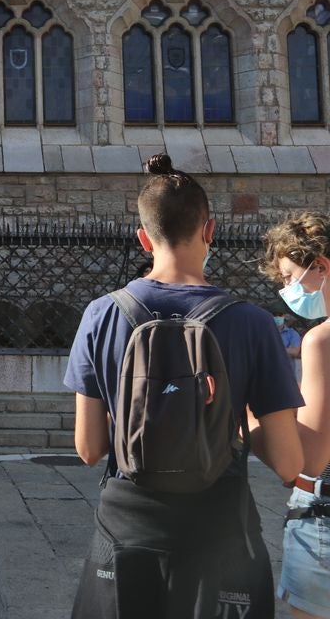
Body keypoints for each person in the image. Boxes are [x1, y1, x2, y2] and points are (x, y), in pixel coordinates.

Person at [65, 154, 302, 618]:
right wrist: (236, 420)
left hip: (126, 531)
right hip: (221, 532)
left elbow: (90, 448)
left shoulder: (102, 314)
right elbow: (290, 462)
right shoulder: (253, 323)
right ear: (210, 232)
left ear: (143, 238)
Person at [263, 212, 330, 619]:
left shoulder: (321, 341)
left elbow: (310, 461)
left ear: (320, 265)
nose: (287, 289)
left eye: (289, 276)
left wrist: (257, 413)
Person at [275, 313, 304, 381]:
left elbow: (294, 351)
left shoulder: (292, 334)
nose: (276, 317)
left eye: (279, 315)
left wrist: (273, 349)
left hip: (287, 375)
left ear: (284, 317)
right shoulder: (265, 332)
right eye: (274, 315)